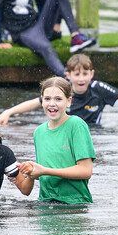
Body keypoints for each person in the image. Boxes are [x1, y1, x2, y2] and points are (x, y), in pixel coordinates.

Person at [0, 53, 118, 126]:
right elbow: (36, 102)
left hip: (94, 131)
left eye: (85, 74)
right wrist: (9, 112)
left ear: (92, 74)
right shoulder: (63, 90)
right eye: (77, 74)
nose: (81, 78)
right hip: (67, 129)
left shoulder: (99, 89)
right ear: (68, 75)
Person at [18, 76, 96, 204]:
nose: (52, 104)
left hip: (75, 204)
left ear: (69, 101)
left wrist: (45, 170)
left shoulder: (76, 125)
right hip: (45, 203)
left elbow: (86, 171)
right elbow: (44, 173)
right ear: (42, 101)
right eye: (47, 99)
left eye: (58, 99)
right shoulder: (39, 132)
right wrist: (29, 171)